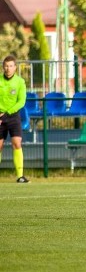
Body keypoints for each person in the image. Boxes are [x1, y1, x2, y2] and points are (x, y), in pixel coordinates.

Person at [0, 55, 29, 183]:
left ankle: (20, 176)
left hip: (13, 117)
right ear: (3, 67)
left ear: (15, 67)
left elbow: (21, 101)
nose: (8, 68)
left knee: (17, 143)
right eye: (6, 66)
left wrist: (7, 114)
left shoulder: (20, 82)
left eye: (11, 66)